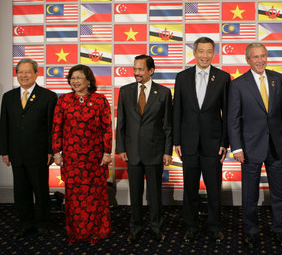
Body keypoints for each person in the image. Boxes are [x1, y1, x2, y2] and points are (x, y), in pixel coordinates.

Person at [227, 43, 282, 247]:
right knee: (250, 193)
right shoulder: (238, 84)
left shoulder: (277, 79)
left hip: (276, 146)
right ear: (248, 60)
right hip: (249, 148)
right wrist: (236, 148)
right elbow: (233, 119)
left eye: (263, 56)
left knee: (280, 191)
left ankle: (280, 229)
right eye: (256, 57)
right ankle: (251, 230)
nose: (260, 60)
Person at [173, 37, 231, 244]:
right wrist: (176, 140)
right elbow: (177, 110)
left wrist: (225, 142)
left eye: (209, 51)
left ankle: (215, 227)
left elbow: (228, 112)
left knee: (214, 187)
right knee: (189, 188)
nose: (205, 55)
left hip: (213, 143)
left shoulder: (223, 77)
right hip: (188, 143)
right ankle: (191, 226)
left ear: (213, 54)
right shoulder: (182, 77)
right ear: (194, 53)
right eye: (201, 51)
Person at [51, 64, 112, 243]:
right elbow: (57, 127)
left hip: (95, 157)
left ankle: (97, 232)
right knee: (74, 195)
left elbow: (107, 128)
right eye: (72, 78)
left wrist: (107, 152)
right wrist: (56, 152)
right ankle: (76, 233)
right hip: (72, 157)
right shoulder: (63, 100)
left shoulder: (100, 100)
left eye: (79, 77)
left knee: (94, 195)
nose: (75, 81)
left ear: (88, 80)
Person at [116, 54, 173, 244]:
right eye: (135, 69)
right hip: (132, 152)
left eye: (140, 69)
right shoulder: (124, 91)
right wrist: (121, 147)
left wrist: (167, 151)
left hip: (155, 151)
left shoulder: (164, 93)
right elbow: (121, 123)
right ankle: (135, 228)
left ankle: (157, 228)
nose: (136, 73)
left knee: (155, 195)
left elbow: (168, 126)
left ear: (151, 71)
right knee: (135, 193)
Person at [0, 59, 57, 239]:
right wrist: (4, 151)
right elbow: (4, 126)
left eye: (27, 72)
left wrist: (51, 150)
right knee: (21, 191)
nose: (23, 76)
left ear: (36, 73)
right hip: (16, 154)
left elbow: (51, 127)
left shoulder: (48, 96)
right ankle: (25, 223)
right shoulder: (8, 97)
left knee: (40, 191)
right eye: (20, 72)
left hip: (39, 154)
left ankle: (42, 224)